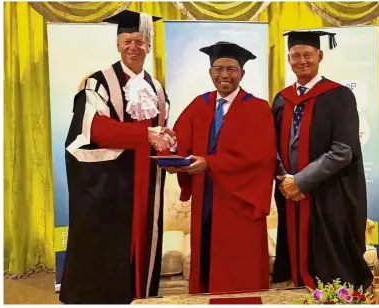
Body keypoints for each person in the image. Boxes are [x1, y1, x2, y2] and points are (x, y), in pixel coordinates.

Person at [60, 10, 175, 304]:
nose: (133, 47)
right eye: (127, 41)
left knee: (142, 242)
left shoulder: (157, 88)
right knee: (106, 249)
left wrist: (167, 141)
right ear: (117, 44)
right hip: (109, 185)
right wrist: (145, 135)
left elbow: (160, 127)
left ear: (149, 46)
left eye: (140, 41)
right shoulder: (97, 83)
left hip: (146, 181)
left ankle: (140, 296)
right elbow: (94, 128)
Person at [168, 42, 277, 294]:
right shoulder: (200, 104)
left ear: (242, 74)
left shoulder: (257, 108)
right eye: (218, 69)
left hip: (239, 200)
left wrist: (211, 163)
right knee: (206, 257)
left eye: (231, 69)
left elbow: (261, 156)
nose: (224, 75)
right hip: (205, 197)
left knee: (240, 263)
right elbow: (179, 139)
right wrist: (171, 157)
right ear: (210, 72)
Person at [271, 30, 373, 290]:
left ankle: (331, 293)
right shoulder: (282, 99)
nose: (301, 61)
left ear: (320, 55)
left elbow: (343, 149)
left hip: (328, 190)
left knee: (329, 254)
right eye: (295, 56)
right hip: (289, 188)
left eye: (307, 55)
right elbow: (271, 144)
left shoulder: (339, 96)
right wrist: (285, 178)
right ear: (288, 59)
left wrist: (302, 181)